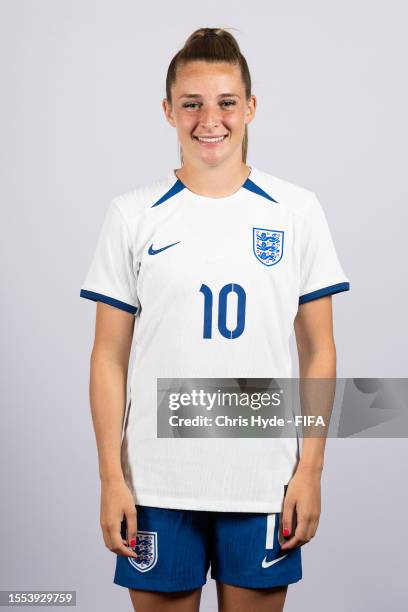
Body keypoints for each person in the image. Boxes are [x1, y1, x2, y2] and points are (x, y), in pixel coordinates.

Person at [80, 27, 350, 612]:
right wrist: (111, 478)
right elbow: (108, 355)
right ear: (168, 111)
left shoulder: (297, 211)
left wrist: (311, 468)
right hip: (154, 481)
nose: (211, 119)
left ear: (250, 107)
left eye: (227, 102)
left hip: (262, 480)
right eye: (192, 104)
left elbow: (319, 350)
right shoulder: (132, 215)